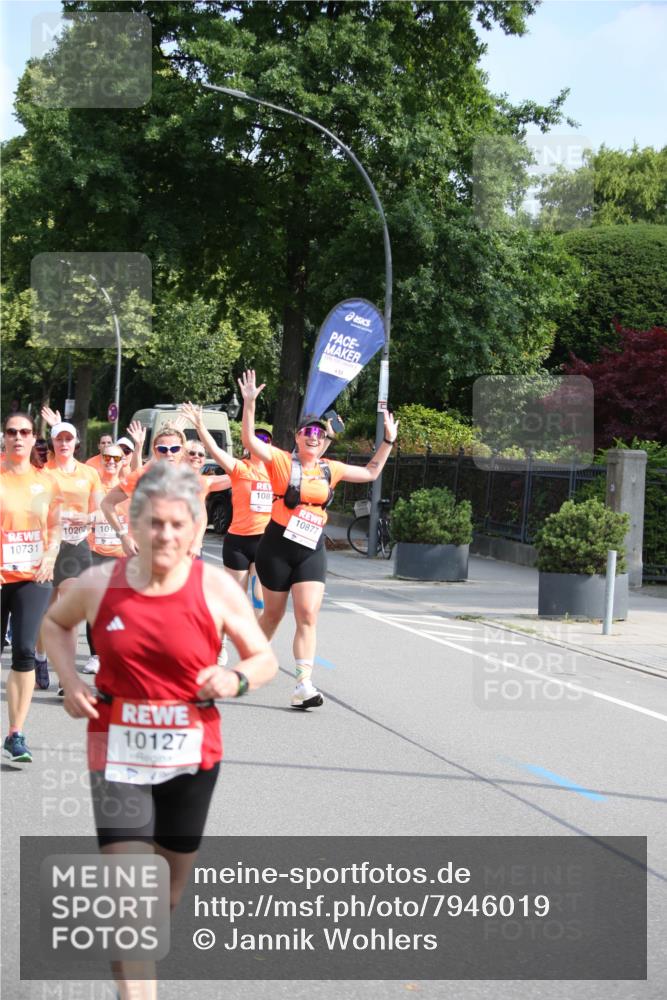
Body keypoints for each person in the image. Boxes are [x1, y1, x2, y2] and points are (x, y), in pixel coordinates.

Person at [42, 462, 277, 999]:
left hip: (192, 757)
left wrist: (235, 678)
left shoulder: (215, 588)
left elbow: (263, 658)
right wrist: (70, 679)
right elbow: (54, 623)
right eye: (154, 523)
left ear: (194, 528)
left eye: (177, 524)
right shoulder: (99, 584)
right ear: (135, 523)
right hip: (116, 752)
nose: (165, 535)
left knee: (166, 895)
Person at [238, 369, 399, 709]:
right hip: (277, 547)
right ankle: (250, 662)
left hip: (311, 548)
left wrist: (388, 441)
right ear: (297, 438)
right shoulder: (281, 461)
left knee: (308, 614)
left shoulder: (330, 468)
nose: (313, 437)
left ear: (324, 441)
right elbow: (250, 441)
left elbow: (371, 472)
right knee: (272, 616)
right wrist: (249, 403)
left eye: (319, 433)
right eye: (308, 432)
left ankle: (303, 684)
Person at [1, 413, 60, 762]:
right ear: (5, 437)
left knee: (24, 649)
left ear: (33, 436)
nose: (18, 437)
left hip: (33, 577)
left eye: (24, 432)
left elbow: (55, 525)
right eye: (12, 432)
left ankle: (16, 733)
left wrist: (51, 554)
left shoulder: (46, 481)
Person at [180, 402, 270, 600]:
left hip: (263, 541)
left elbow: (306, 460)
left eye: (265, 440)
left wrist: (328, 438)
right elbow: (213, 449)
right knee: (234, 599)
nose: (196, 457)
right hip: (235, 542)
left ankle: (256, 624)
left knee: (259, 597)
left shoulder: (276, 471)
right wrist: (198, 425)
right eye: (191, 453)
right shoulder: (239, 468)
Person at [101, 425, 192, 558]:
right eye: (162, 449)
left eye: (175, 449)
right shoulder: (140, 476)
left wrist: (195, 542)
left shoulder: (189, 480)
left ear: (182, 451)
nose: (169, 454)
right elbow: (107, 503)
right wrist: (123, 535)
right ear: (155, 451)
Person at [82, 444, 128, 675]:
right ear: (100, 459)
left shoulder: (128, 487)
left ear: (123, 461)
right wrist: (91, 518)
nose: (111, 461)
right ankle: (95, 655)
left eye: (116, 458)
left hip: (122, 556)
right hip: (95, 552)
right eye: (106, 457)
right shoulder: (93, 485)